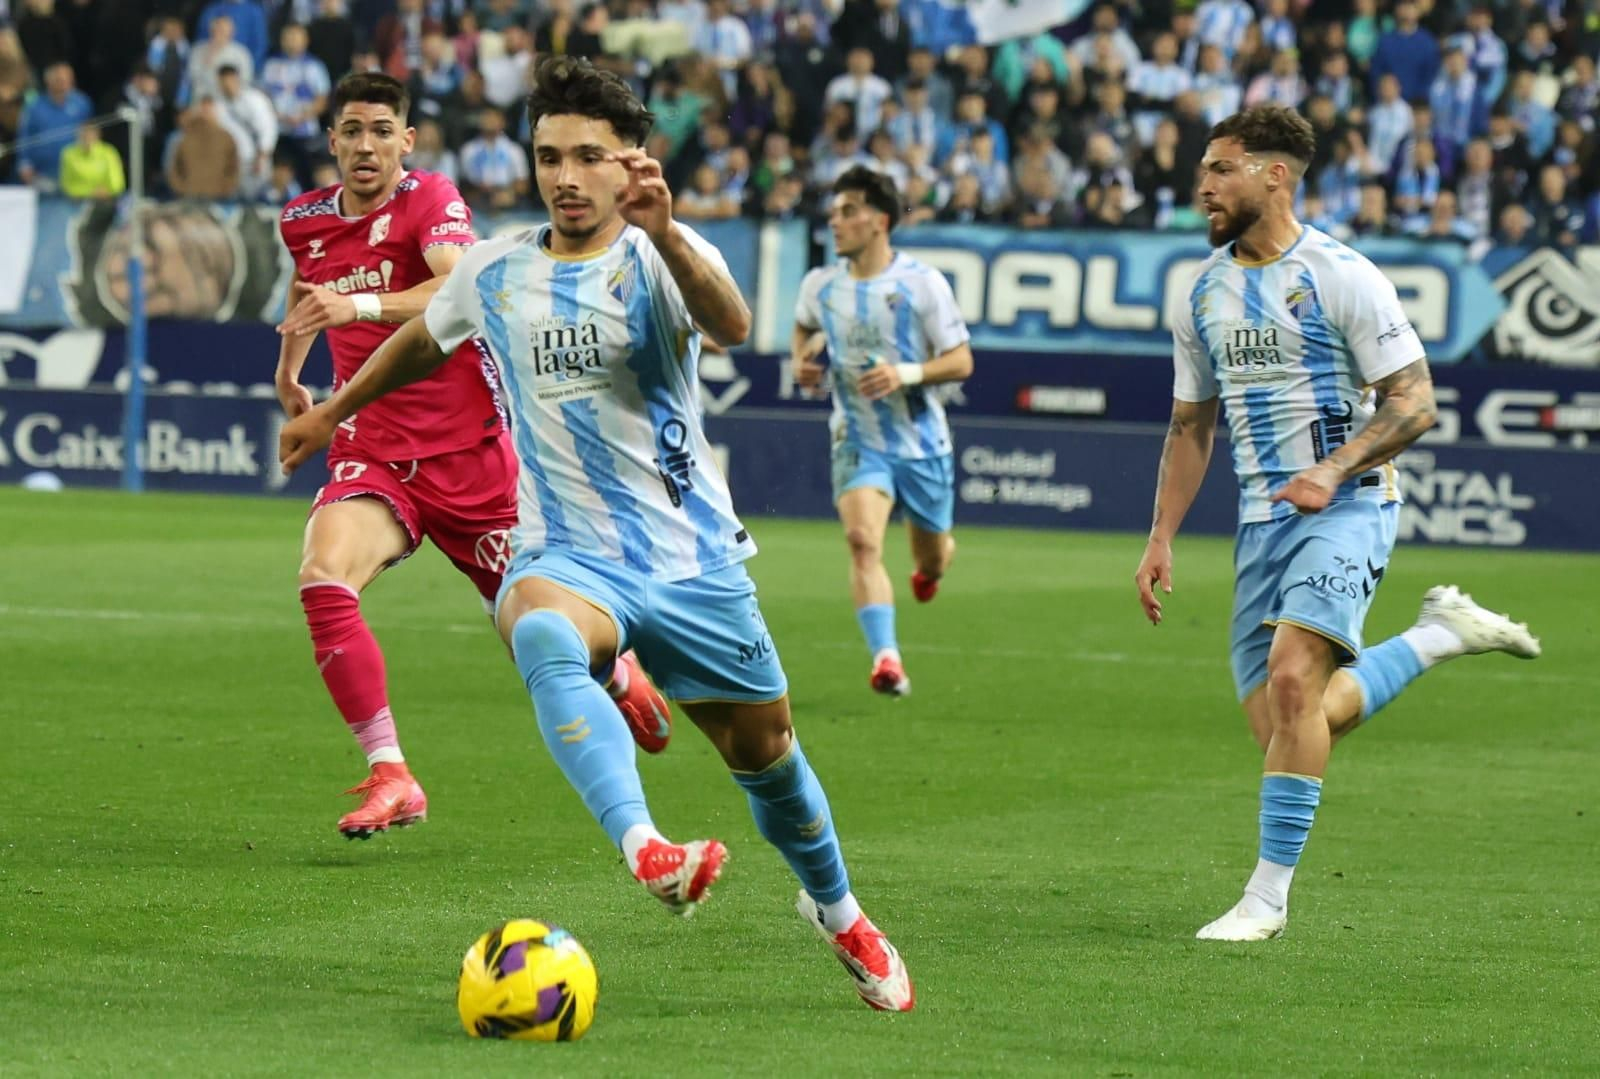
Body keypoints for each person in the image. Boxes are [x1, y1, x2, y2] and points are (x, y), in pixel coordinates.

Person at [279, 55, 914, 1012]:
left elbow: (734, 323)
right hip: (570, 553)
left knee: (771, 762)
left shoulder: (663, 251)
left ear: (632, 164)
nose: (566, 177)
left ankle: (838, 909)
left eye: (589, 157)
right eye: (548, 156)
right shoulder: (495, 269)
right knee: (533, 626)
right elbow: (424, 337)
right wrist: (334, 410)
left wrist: (667, 233)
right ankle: (645, 847)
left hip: (693, 558)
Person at [1133, 105, 1541, 943]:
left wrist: (1330, 468)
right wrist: (1161, 534)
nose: (1203, 184)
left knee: (1292, 684)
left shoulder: (1342, 275)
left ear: (1275, 174)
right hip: (1262, 522)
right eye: (1204, 169)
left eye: (1222, 168)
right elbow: (1191, 424)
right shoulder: (1203, 290)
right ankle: (1438, 636)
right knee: (1288, 722)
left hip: (1350, 502)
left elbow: (1415, 401)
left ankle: (1266, 901)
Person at [274, 72, 671, 841]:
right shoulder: (304, 219)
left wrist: (354, 306)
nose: (365, 146)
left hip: (470, 454)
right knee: (324, 576)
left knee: (534, 633)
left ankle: (618, 671)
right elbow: (308, 285)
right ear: (331, 141)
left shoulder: (431, 201)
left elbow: (457, 285)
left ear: (407, 142)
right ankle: (392, 771)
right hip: (373, 452)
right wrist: (290, 372)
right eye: (352, 130)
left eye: (382, 130)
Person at [790, 165, 973, 697]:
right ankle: (886, 659)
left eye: (848, 212)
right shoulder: (820, 286)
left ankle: (934, 568)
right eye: (833, 213)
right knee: (862, 542)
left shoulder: (921, 283)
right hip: (857, 436)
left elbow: (961, 361)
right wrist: (803, 357)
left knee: (930, 557)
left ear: (880, 221)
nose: (836, 223)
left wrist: (905, 373)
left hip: (921, 442)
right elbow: (803, 327)